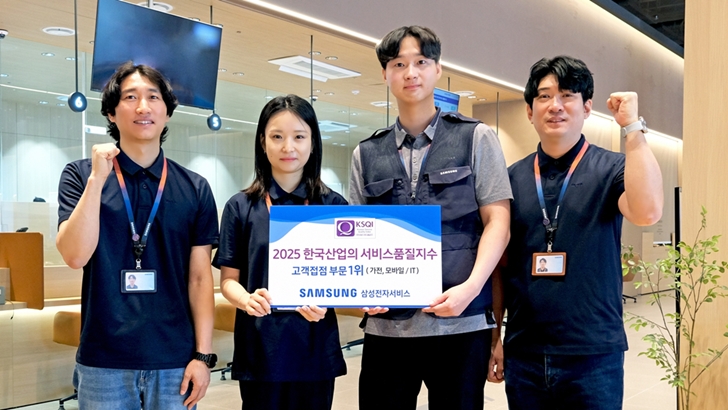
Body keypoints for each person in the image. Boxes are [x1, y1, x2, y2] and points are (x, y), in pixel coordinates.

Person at [349, 26, 512, 410]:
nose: (410, 73)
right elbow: (356, 236)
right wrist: (361, 291)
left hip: (461, 323)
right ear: (385, 74)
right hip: (387, 328)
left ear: (437, 69)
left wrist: (470, 288)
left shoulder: (475, 137)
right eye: (398, 64)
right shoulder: (366, 153)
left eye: (421, 62)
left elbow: (498, 221)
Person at [491, 56, 663, 409]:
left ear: (586, 108)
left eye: (567, 95)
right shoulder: (511, 178)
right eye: (544, 96)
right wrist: (495, 336)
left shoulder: (613, 167)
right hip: (525, 350)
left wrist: (632, 128)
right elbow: (501, 266)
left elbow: (647, 212)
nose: (555, 105)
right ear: (529, 111)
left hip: (593, 353)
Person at [56, 62, 219, 410]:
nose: (143, 107)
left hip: (175, 360)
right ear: (111, 113)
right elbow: (74, 255)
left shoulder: (195, 187)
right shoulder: (80, 176)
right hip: (103, 360)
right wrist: (97, 181)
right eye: (130, 97)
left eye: (153, 97)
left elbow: (200, 278)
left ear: (167, 112)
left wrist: (203, 356)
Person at [215, 94, 347, 410]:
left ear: (313, 143)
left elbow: (346, 275)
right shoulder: (240, 207)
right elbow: (228, 280)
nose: (288, 147)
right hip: (261, 347)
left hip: (314, 346)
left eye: (299, 137)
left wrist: (329, 300)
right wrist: (245, 300)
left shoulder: (333, 206)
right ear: (263, 142)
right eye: (277, 137)